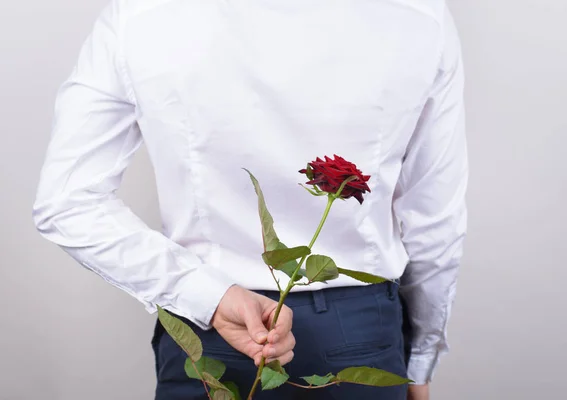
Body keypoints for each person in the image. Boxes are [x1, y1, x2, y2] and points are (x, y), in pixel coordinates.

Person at [33, 0, 467, 399]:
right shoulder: (417, 18)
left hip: (210, 331)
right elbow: (435, 223)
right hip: (357, 333)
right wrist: (420, 360)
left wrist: (205, 293)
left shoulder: (141, 15)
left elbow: (68, 201)